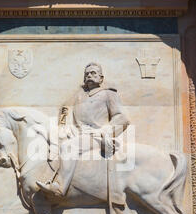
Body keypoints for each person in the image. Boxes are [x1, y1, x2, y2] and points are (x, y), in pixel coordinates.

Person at [36, 62, 129, 197]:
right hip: (76, 133)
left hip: (96, 135)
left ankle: (60, 187)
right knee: (48, 140)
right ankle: (47, 178)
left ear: (101, 78)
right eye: (87, 74)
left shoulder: (109, 94)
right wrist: (63, 125)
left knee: (68, 147)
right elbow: (64, 108)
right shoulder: (79, 95)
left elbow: (122, 118)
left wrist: (104, 131)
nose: (89, 76)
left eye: (93, 73)